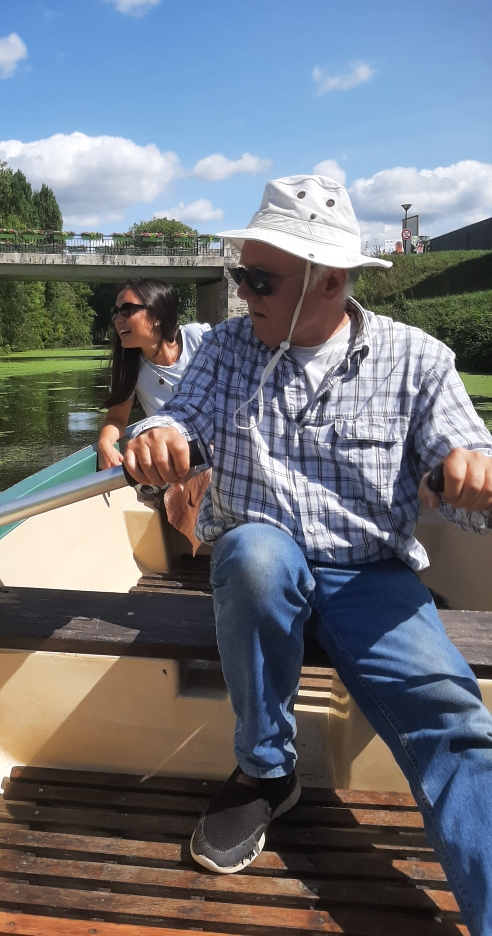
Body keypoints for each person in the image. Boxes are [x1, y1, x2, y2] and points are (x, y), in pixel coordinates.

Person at [124, 175, 492, 936]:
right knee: (254, 557)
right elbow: (178, 423)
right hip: (264, 568)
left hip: (372, 578)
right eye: (239, 275)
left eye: (260, 279)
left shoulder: (417, 361)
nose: (243, 292)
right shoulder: (226, 348)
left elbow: (469, 454)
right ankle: (266, 769)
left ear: (330, 281)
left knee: (454, 723)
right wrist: (151, 439)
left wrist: (474, 475)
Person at [97, 278, 210, 469]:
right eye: (115, 312)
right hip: (178, 465)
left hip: (220, 449)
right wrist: (105, 444)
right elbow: (116, 419)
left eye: (127, 310)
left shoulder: (197, 338)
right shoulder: (128, 365)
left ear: (157, 315)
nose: (118, 320)